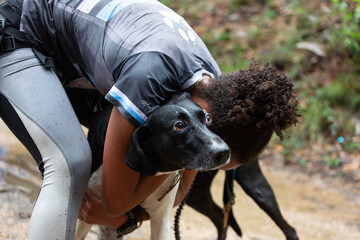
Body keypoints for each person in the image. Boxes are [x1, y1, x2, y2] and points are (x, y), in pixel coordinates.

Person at [0, 0, 300, 239]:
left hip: (75, 60)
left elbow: (176, 192)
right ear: (208, 122)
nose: (206, 163)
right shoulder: (149, 78)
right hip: (20, 25)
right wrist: (125, 214)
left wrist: (128, 217)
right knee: (71, 164)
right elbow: (115, 202)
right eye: (216, 160)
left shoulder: (214, 90)